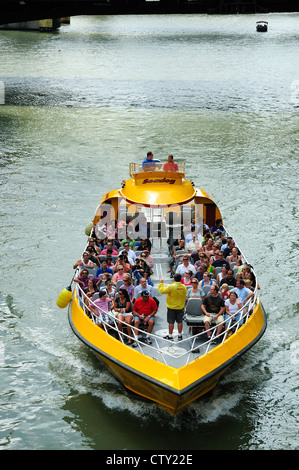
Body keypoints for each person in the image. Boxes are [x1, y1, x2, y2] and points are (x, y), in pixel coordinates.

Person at [158, 274, 187, 341]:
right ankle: (180, 335)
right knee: (180, 321)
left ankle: (170, 335)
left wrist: (161, 283)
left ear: (174, 278)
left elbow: (162, 291)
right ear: (180, 279)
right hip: (180, 307)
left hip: (171, 307)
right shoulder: (183, 287)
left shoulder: (171, 286)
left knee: (171, 322)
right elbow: (184, 294)